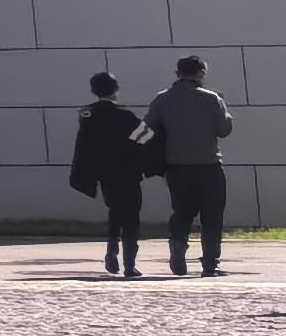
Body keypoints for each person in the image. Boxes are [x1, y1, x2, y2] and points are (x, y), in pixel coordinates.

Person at [149, 54, 235, 280]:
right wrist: (225, 110)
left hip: (176, 165)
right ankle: (210, 264)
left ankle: (178, 245)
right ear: (201, 73)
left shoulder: (162, 99)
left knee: (182, 211)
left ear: (177, 73)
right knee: (212, 215)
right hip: (208, 164)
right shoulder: (211, 98)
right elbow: (224, 130)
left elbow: (149, 129)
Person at [70, 73, 149, 280]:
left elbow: (85, 146)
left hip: (105, 174)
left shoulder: (88, 116)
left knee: (115, 211)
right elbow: (147, 136)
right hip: (128, 173)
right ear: (116, 90)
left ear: (93, 91)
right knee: (131, 217)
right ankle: (130, 264)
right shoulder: (124, 116)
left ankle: (112, 250)